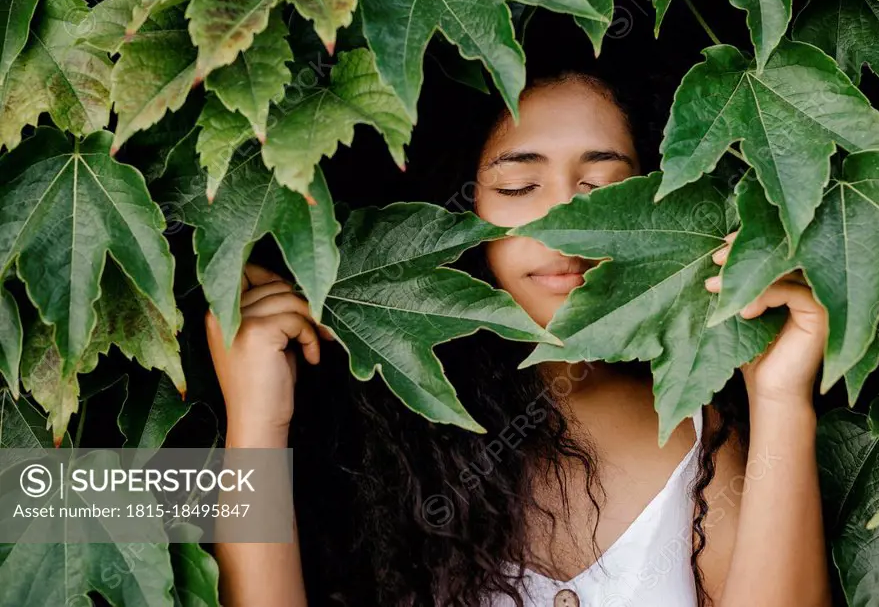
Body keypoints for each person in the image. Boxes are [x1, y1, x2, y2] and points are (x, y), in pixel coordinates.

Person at [206, 58, 833, 606]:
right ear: (455, 207)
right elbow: (112, 520)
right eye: (518, 186)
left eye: (603, 187)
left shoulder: (701, 429)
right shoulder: (369, 428)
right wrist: (257, 424)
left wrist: (780, 399)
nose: (565, 221)